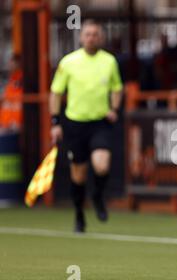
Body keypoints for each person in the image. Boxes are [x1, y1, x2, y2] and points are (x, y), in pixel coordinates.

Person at [49, 20, 123, 233]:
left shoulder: (109, 61)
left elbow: (117, 88)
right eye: (88, 34)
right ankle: (79, 215)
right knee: (78, 175)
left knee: (102, 165)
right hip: (75, 124)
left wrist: (114, 108)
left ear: (101, 37)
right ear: (82, 38)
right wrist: (55, 121)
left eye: (95, 34)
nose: (92, 37)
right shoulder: (68, 62)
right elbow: (55, 93)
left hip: (99, 123)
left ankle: (98, 196)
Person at [0, 54, 23, 131]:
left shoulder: (22, 79)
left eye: (13, 63)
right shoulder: (11, 80)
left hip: (16, 123)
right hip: (6, 123)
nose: (10, 66)